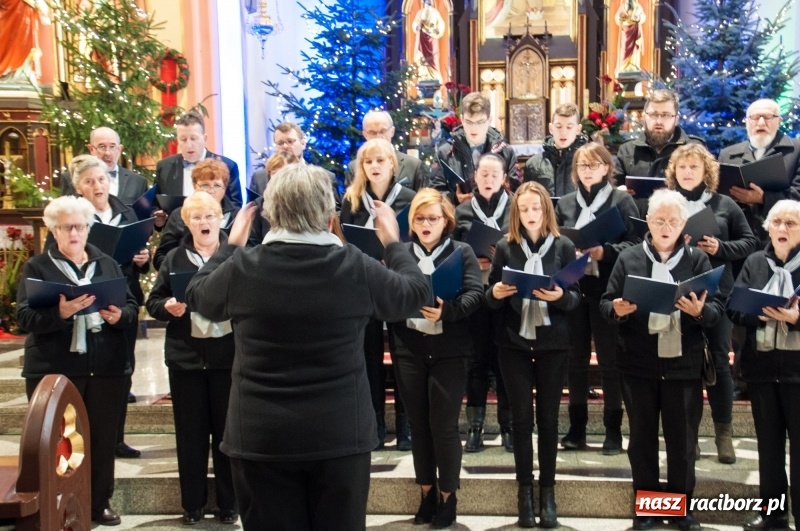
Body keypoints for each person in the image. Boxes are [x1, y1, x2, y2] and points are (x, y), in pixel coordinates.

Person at [184, 163, 431, 530]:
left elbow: (198, 296)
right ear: (329, 215)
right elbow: (416, 293)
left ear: (270, 214)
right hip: (339, 434)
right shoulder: (354, 267)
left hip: (262, 434)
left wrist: (230, 246)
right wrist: (393, 243)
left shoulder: (243, 267)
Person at [599, 189, 724, 531]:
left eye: (672, 221)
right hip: (637, 363)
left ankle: (680, 509)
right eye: (658, 220)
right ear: (648, 222)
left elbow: (717, 309)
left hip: (683, 364)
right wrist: (617, 309)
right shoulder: (629, 258)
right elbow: (606, 303)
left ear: (684, 224)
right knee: (641, 441)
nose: (665, 227)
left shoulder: (696, 260)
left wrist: (700, 311)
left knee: (682, 442)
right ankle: (649, 508)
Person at [16, 195, 139, 526]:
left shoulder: (107, 264)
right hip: (54, 370)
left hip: (106, 367)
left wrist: (119, 316)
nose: (74, 233)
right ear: (53, 230)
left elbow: (131, 307)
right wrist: (60, 313)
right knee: (59, 443)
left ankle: (99, 503)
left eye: (80, 227)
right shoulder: (37, 267)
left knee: (101, 439)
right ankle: (58, 504)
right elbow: (24, 317)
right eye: (67, 227)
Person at [487, 181, 581, 528]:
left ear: (546, 211)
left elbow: (576, 299)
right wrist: (496, 292)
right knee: (521, 420)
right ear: (516, 212)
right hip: (514, 342)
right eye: (524, 209)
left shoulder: (563, 245)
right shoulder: (505, 247)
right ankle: (524, 493)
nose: (530, 214)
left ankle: (548, 493)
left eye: (536, 208)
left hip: (553, 342)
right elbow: (489, 297)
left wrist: (560, 297)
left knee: (549, 420)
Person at [390, 188, 483, 527]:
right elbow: (388, 295)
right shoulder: (401, 253)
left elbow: (476, 293)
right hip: (409, 348)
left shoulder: (461, 251)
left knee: (443, 427)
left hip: (450, 350)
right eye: (419, 218)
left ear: (446, 221)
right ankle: (426, 493)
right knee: (418, 425)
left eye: (432, 218)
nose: (426, 224)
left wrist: (448, 310)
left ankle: (448, 496)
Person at [145, 192, 238, 526]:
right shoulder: (174, 258)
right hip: (186, 360)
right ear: (187, 223)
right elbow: (153, 302)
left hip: (227, 358)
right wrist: (167, 307)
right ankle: (193, 505)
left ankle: (229, 504)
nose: (204, 222)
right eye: (196, 217)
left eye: (210, 216)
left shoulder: (236, 255)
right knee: (190, 436)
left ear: (220, 219)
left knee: (228, 435)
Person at [662, 144, 757, 463]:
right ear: (674, 172)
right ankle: (691, 437)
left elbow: (749, 242)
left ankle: (723, 435)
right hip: (677, 290)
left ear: (706, 172)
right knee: (686, 366)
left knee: (718, 362)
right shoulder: (666, 204)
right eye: (682, 167)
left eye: (694, 167)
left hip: (717, 292)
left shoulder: (724, 204)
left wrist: (719, 247)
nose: (687, 172)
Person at [554, 143, 639, 454]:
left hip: (608, 288)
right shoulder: (565, 203)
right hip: (575, 288)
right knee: (575, 361)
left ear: (606, 168)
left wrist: (606, 252)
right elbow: (555, 241)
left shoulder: (621, 201)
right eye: (581, 165)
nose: (586, 170)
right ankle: (577, 429)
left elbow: (636, 243)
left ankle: (613, 431)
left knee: (610, 361)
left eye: (593, 165)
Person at [67, 154, 151, 460]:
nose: (97, 186)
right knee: (90, 371)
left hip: (122, 300)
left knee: (122, 370)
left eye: (101, 179)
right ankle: (84, 439)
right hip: (86, 302)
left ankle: (116, 438)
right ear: (79, 187)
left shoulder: (126, 213)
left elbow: (141, 258)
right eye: (89, 181)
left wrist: (143, 259)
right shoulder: (71, 218)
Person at [719, 98, 800, 401]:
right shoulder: (729, 154)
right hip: (742, 244)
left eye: (768, 117)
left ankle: (789, 375)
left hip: (784, 243)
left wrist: (762, 199)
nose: (761, 123)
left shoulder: (795, 150)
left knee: (788, 304)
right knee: (745, 309)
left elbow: (798, 194)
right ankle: (744, 378)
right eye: (754, 117)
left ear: (779, 120)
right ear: (746, 121)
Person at [728, 200, 800, 531]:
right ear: (767, 228)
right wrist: (758, 311)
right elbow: (734, 308)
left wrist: (796, 318)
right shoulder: (755, 262)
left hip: (797, 372)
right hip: (761, 369)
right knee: (768, 447)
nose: (782, 228)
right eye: (777, 222)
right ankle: (773, 514)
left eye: (791, 223)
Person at [341, 138, 417, 450]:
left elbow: (418, 239)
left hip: (398, 281)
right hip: (365, 284)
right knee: (369, 356)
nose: (374, 166)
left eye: (380, 160)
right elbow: (345, 242)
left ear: (392, 164)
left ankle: (405, 425)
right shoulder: (352, 199)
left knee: (403, 355)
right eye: (368, 161)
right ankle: (375, 425)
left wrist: (396, 255)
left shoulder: (409, 198)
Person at [453, 153, 515, 453]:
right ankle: (475, 429)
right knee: (476, 361)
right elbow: (451, 249)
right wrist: (469, 260)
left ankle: (508, 427)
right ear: (474, 177)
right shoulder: (462, 211)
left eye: (494, 175)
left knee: (505, 360)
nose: (488, 179)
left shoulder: (515, 208)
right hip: (475, 291)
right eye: (483, 174)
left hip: (507, 292)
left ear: (504, 178)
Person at [613, 89, 704, 214]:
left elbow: (707, 190)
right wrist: (618, 194)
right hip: (636, 222)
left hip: (681, 222)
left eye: (665, 115)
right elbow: (612, 189)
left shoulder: (693, 148)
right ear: (644, 117)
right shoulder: (627, 150)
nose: (659, 121)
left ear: (676, 119)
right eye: (654, 114)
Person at [431, 91, 520, 205]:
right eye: (469, 122)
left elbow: (516, 191)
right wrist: (455, 198)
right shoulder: (445, 152)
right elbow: (435, 193)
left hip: (497, 213)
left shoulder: (505, 151)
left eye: (480, 122)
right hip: (459, 214)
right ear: (462, 119)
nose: (474, 128)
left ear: (489, 120)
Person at [153, 159, 240, 270]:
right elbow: (161, 256)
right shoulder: (179, 215)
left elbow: (247, 254)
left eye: (217, 185)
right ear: (195, 186)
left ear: (225, 188)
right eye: (205, 185)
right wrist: (178, 272)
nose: (211, 190)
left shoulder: (237, 216)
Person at [154, 110, 242, 209]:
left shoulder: (227, 166)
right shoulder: (164, 167)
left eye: (193, 138)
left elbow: (235, 207)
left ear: (205, 138)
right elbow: (154, 205)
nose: (189, 145)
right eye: (183, 139)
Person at [249, 122, 342, 207]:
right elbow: (250, 212)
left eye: (290, 141)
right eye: (280, 143)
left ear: (303, 143)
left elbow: (335, 212)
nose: (285, 146)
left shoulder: (325, 177)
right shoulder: (259, 178)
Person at [61, 127, 149, 206]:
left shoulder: (138, 182)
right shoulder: (72, 178)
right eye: (102, 147)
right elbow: (66, 212)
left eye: (112, 147)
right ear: (91, 149)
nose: (108, 153)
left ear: (119, 149)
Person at [345, 110, 429, 191]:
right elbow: (351, 198)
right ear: (365, 135)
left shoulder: (413, 165)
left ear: (392, 131)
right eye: (372, 132)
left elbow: (424, 199)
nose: (378, 137)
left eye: (383, 131)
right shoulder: (354, 167)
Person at [524, 103, 588, 197]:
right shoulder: (534, 164)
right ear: (551, 128)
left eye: (569, 127)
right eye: (558, 126)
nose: (563, 132)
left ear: (578, 129)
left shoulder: (587, 162)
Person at [412, 0, 446, 83]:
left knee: (434, 58)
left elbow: (441, 25)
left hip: (432, 39)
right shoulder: (420, 13)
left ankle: (434, 76)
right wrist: (418, 26)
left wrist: (437, 30)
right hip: (422, 38)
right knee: (422, 59)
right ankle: (423, 77)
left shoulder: (435, 13)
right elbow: (415, 25)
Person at [615, 0, 646, 73]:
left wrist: (638, 18)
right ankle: (623, 66)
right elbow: (617, 17)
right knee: (624, 49)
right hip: (625, 30)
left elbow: (643, 17)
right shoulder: (623, 6)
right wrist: (621, 17)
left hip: (635, 29)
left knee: (635, 48)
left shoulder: (637, 6)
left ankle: (633, 65)